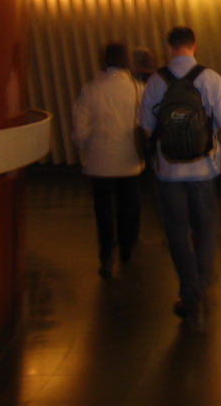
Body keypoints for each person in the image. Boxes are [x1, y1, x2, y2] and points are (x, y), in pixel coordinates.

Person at [138, 26, 221, 330]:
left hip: (168, 171)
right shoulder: (210, 78)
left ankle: (189, 291)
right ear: (194, 45)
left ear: (170, 48)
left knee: (177, 234)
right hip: (203, 169)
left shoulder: (157, 81)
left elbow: (146, 127)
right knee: (205, 229)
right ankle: (204, 283)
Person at [72, 42, 145, 277]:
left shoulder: (91, 89)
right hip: (130, 160)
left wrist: (88, 146)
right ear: (126, 60)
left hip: (99, 159)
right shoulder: (137, 88)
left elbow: (79, 128)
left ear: (104, 60)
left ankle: (106, 253)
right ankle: (126, 247)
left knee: (103, 209)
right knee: (128, 206)